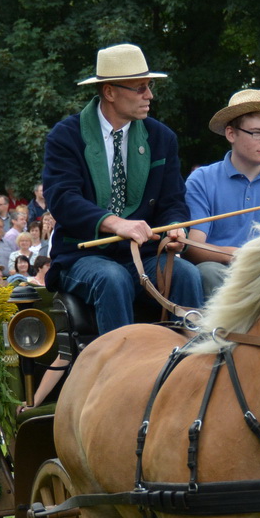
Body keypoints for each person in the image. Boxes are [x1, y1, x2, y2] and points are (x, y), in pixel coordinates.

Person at [41, 43, 200, 332]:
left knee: (187, 274)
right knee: (112, 278)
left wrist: (177, 227)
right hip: (82, 256)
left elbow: (173, 201)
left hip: (146, 255)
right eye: (140, 87)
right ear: (110, 92)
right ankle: (120, 373)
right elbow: (62, 199)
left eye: (149, 86)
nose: (149, 95)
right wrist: (115, 224)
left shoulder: (162, 137)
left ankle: (194, 368)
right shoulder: (65, 136)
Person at [179, 89, 260, 297]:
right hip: (222, 274)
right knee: (207, 272)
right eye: (257, 133)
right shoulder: (202, 179)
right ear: (231, 134)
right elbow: (193, 247)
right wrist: (238, 255)